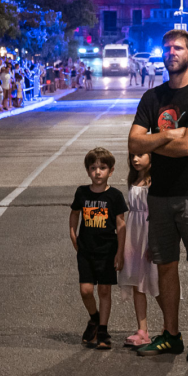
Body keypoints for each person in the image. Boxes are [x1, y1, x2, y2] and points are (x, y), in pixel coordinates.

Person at [128, 29, 188, 362]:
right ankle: (171, 334)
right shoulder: (151, 97)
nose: (171, 52)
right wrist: (170, 135)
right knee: (165, 266)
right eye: (166, 48)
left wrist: (155, 138)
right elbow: (134, 144)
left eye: (178, 48)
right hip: (159, 194)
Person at [69, 147, 128, 351]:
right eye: (93, 168)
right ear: (87, 170)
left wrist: (120, 252)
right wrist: (72, 233)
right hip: (85, 250)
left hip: (107, 250)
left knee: (104, 290)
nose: (97, 172)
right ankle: (94, 318)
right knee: (86, 290)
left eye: (102, 168)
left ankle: (102, 330)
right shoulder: (82, 192)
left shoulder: (115, 195)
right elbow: (75, 213)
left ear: (110, 171)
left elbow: (121, 224)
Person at [120, 151, 159, 349]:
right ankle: (142, 330)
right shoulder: (133, 179)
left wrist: (153, 241)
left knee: (156, 281)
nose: (135, 159)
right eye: (132, 155)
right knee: (137, 281)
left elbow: (156, 212)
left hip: (148, 231)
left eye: (140, 155)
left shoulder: (155, 181)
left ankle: (170, 327)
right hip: (134, 233)